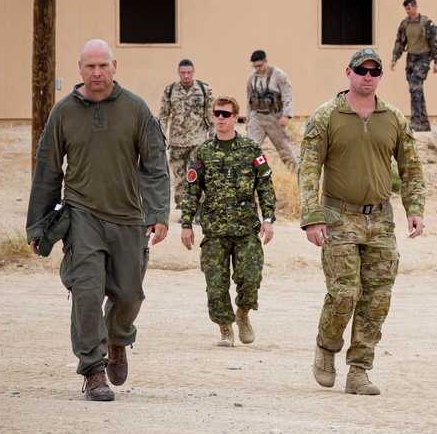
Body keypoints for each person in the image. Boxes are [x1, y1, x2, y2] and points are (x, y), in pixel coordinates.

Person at [26, 39, 170, 402]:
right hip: (83, 215)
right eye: (90, 66)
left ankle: (118, 336)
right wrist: (37, 225)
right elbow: (47, 171)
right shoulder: (63, 113)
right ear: (80, 69)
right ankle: (93, 370)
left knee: (129, 294)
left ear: (114, 66)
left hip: (129, 217)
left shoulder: (136, 109)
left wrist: (157, 214)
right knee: (86, 294)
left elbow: (154, 167)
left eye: (103, 65)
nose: (97, 73)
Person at [300, 47, 425, 396]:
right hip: (338, 216)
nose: (367, 77)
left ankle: (359, 371)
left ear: (381, 76)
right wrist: (312, 217)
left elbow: (411, 168)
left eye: (374, 71)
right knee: (344, 293)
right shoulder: (326, 117)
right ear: (349, 72)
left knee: (377, 300)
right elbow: (308, 169)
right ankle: (326, 349)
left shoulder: (394, 119)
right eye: (361, 70)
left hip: (380, 220)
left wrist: (415, 209)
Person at [180, 96, 277, 347]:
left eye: (225, 114)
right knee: (215, 282)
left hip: (246, 228)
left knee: (251, 277)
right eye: (216, 113)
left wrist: (267, 219)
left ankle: (243, 313)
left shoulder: (251, 149)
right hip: (214, 229)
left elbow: (265, 186)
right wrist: (187, 224)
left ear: (236, 117)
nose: (220, 118)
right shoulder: (203, 152)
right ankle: (225, 329)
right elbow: (191, 190)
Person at [158, 59, 213, 211]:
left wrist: (213, 138)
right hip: (177, 143)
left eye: (189, 72)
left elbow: (211, 116)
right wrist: (162, 135)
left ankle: (200, 206)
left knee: (197, 175)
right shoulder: (170, 91)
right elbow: (162, 115)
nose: (186, 76)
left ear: (193, 72)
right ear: (178, 73)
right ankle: (185, 208)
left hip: (198, 142)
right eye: (183, 73)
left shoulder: (204, 89)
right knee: (179, 179)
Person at [389, 0, 437, 132]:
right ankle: (424, 124)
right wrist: (394, 59)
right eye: (406, 9)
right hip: (411, 59)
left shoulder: (426, 23)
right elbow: (400, 42)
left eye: (409, 8)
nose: (408, 11)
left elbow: (435, 42)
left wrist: (436, 62)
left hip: (423, 58)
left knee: (414, 87)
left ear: (415, 7)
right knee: (417, 90)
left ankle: (415, 122)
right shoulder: (405, 24)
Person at [245, 50, 298, 170]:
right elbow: (249, 100)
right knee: (251, 148)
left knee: (284, 150)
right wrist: (248, 121)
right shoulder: (251, 79)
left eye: (259, 65)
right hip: (257, 118)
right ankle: (258, 173)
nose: (257, 69)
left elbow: (288, 95)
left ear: (266, 61)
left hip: (275, 118)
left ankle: (297, 176)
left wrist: (286, 115)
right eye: (254, 66)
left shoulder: (279, 75)